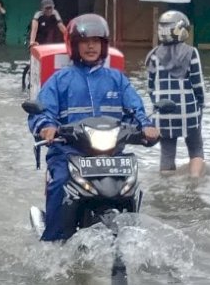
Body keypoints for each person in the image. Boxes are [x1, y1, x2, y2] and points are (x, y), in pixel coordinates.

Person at [27, 14, 160, 242]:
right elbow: (43, 111)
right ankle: (53, 242)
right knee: (59, 182)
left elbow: (136, 108)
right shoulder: (61, 80)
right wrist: (46, 127)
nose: (91, 46)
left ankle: (132, 235)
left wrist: (147, 126)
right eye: (85, 41)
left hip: (111, 155)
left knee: (133, 186)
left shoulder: (116, 79)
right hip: (69, 152)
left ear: (104, 45)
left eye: (96, 41)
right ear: (74, 45)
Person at [145, 10, 205, 178]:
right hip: (189, 112)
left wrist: (158, 104)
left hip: (164, 112)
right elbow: (198, 85)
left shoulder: (154, 55)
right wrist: (201, 105)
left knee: (167, 153)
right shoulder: (192, 52)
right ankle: (194, 183)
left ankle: (165, 188)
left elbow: (150, 87)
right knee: (195, 148)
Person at [22, 0, 67, 91]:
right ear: (42, 9)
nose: (49, 10)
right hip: (33, 38)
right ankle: (28, 82)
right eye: (47, 8)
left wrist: (70, 37)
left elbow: (62, 27)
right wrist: (32, 42)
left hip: (44, 40)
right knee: (33, 62)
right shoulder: (38, 15)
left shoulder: (55, 14)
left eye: (51, 8)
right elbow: (34, 30)